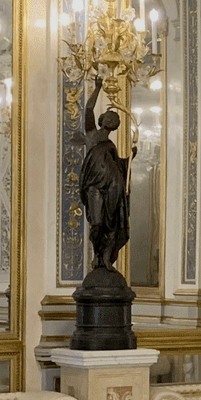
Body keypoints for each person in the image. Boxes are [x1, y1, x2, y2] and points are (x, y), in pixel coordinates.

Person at [77, 75, 133, 272]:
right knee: (97, 222)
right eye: (109, 116)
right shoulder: (92, 134)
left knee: (113, 222)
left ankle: (107, 257)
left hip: (114, 185)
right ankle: (97, 255)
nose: (112, 119)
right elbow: (88, 109)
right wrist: (98, 87)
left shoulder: (111, 146)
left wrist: (130, 158)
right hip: (94, 184)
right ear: (102, 120)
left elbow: (119, 165)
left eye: (115, 119)